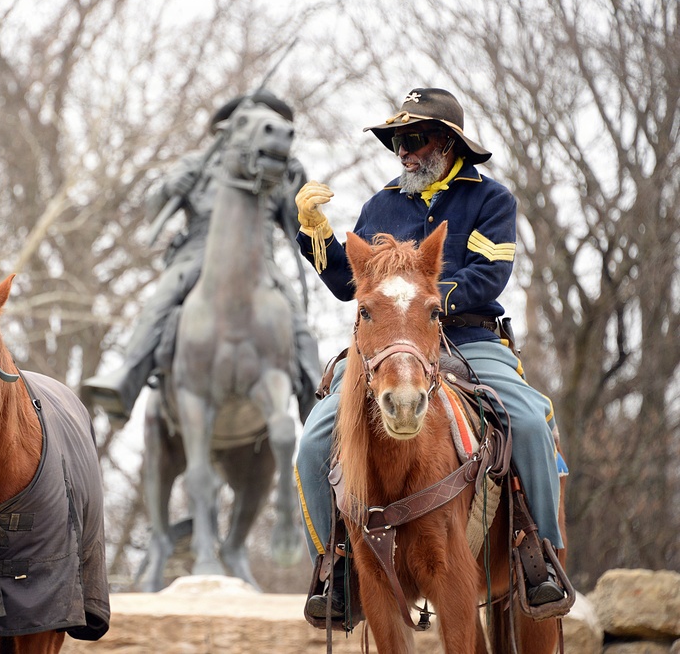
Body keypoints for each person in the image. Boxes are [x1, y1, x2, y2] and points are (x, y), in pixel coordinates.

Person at [293, 88, 567, 620]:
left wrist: (421, 305)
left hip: (467, 340)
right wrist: (316, 233)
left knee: (530, 421)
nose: (403, 151)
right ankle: (337, 570)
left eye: (414, 139)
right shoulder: (381, 204)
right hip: (388, 347)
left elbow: (489, 277)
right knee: (310, 443)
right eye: (397, 141)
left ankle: (541, 556)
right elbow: (354, 287)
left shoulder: (491, 200)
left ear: (447, 142)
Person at [81, 90, 322, 424]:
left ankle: (316, 405)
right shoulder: (198, 164)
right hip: (197, 252)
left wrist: (299, 192)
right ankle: (127, 378)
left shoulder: (278, 172)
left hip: (259, 258)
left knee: (296, 320)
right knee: (161, 301)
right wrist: (170, 188)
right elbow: (153, 211)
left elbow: (299, 230)